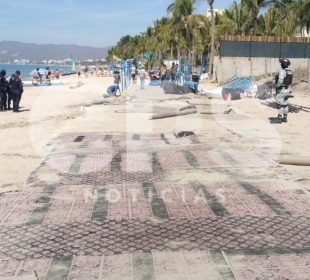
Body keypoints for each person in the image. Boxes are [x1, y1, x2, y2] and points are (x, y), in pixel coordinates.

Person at [274, 58, 293, 123]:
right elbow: (292, 81)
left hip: (281, 90)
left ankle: (279, 118)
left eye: (281, 63)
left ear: (282, 64)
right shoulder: (290, 71)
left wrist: (276, 86)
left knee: (280, 104)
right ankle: (285, 118)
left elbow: (280, 81)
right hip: (287, 89)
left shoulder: (282, 71)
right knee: (285, 104)